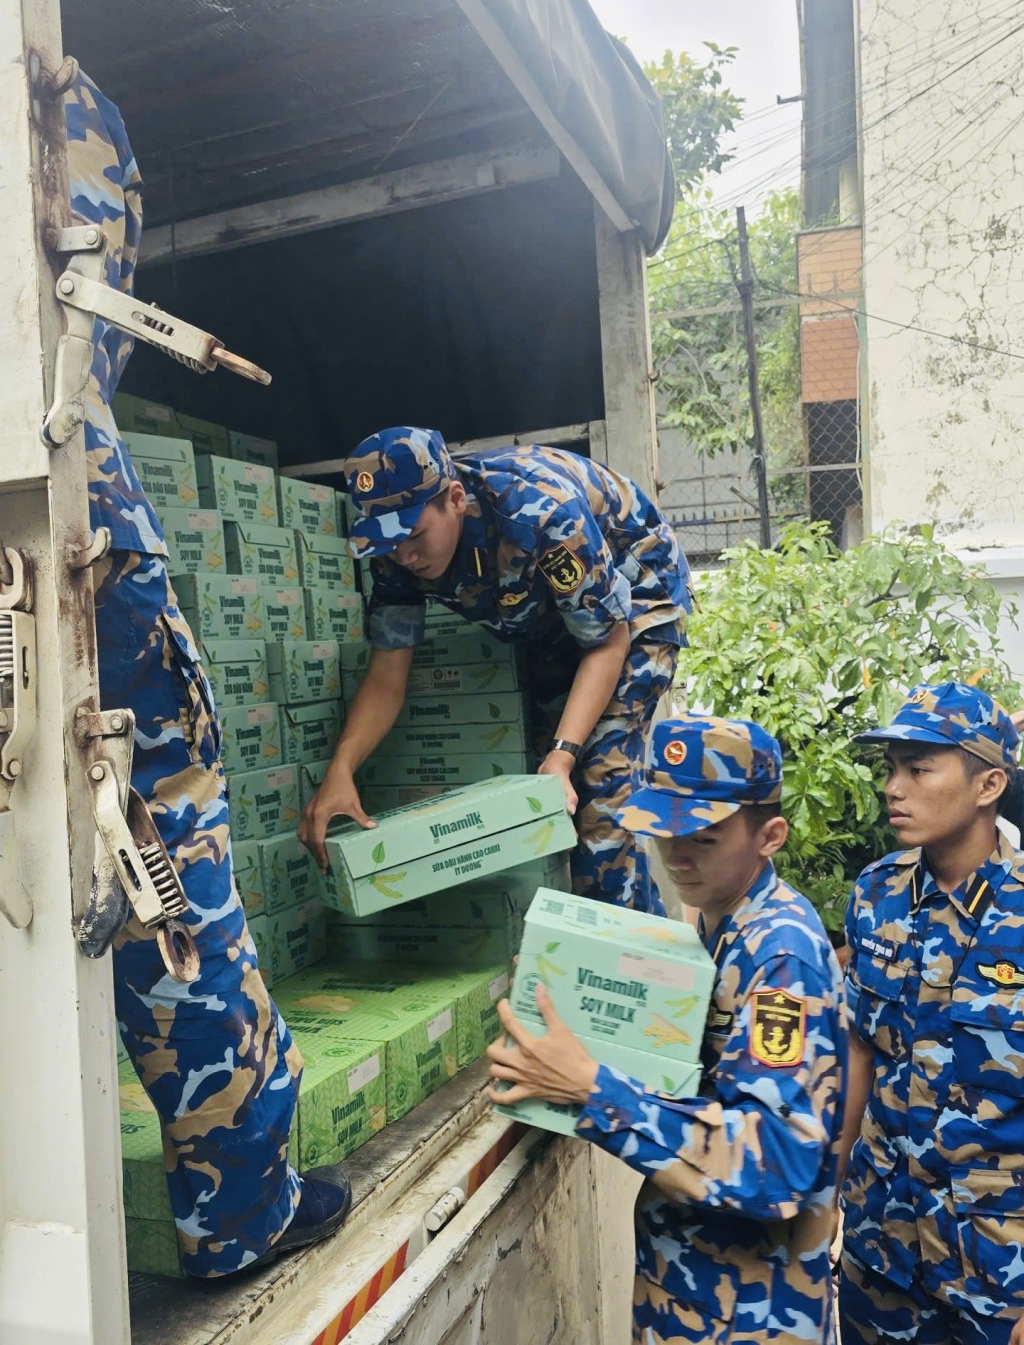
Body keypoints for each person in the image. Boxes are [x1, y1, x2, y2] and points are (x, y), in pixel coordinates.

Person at [66, 70, 350, 1276]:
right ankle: (239, 1214)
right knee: (168, 871)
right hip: (61, 552)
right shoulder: (45, 96)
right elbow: (76, 296)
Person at [486, 715, 848, 1344]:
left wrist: (594, 1090)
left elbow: (779, 1163)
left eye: (703, 838)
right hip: (694, 1294)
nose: (676, 856)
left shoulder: (780, 957)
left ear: (770, 836)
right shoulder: (719, 918)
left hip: (748, 1316)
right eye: (663, 832)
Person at [300, 426, 690, 914]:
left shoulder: (540, 513)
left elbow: (608, 641)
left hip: (637, 604)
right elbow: (387, 673)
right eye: (388, 543)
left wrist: (563, 756)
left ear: (455, 499)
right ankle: (635, 932)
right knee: (548, 796)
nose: (404, 556)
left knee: (597, 782)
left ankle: (619, 953)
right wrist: (341, 770)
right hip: (558, 620)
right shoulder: (396, 553)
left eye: (414, 536)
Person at [837, 681, 1024, 1344]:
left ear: (988, 784)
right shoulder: (876, 892)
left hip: (998, 1274)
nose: (894, 788)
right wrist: (828, 1194)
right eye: (891, 768)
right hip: (880, 1255)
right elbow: (860, 1047)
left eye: (918, 769)